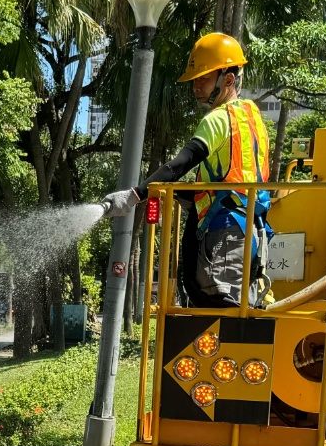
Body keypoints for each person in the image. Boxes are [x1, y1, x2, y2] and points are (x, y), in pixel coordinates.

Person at [103, 31, 273, 306]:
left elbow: (181, 163)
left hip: (223, 230)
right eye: (194, 80)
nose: (196, 86)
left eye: (204, 79)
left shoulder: (217, 119)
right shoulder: (252, 116)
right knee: (236, 310)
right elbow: (230, 178)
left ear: (228, 79)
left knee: (216, 309)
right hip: (251, 230)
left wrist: (134, 195)